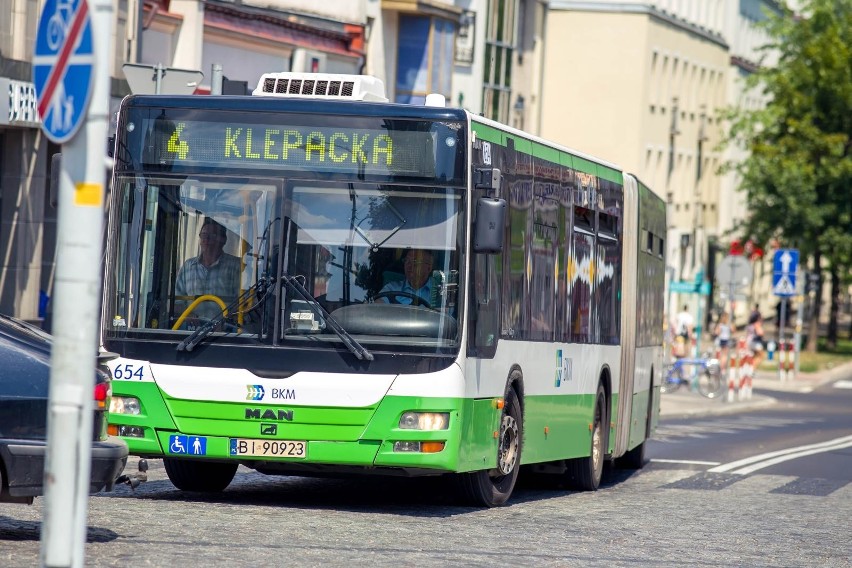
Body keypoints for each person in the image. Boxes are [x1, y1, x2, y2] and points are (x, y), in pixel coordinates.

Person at [175, 218, 242, 322]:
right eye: (204, 235)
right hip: (191, 332)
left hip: (226, 333)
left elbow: (243, 304)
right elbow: (177, 302)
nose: (206, 240)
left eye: (212, 236)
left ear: (223, 240)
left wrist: (225, 322)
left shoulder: (236, 266)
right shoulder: (188, 266)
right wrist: (191, 318)